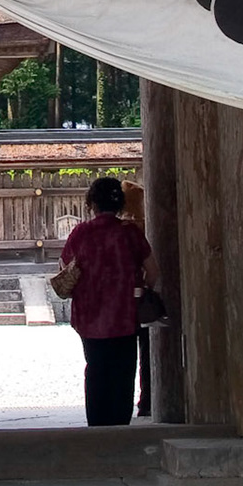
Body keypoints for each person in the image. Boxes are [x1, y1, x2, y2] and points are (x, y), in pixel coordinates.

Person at [60, 176, 157, 427]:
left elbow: (64, 266)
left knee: (95, 368)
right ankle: (119, 422)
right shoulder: (130, 233)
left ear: (92, 203)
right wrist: (143, 288)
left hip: (89, 314)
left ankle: (97, 422)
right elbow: (153, 270)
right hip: (124, 313)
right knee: (123, 370)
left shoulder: (81, 233)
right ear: (120, 203)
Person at [121, 180, 151, 418]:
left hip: (117, 303)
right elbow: (153, 269)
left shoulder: (124, 230)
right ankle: (147, 399)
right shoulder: (139, 230)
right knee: (146, 354)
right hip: (140, 296)